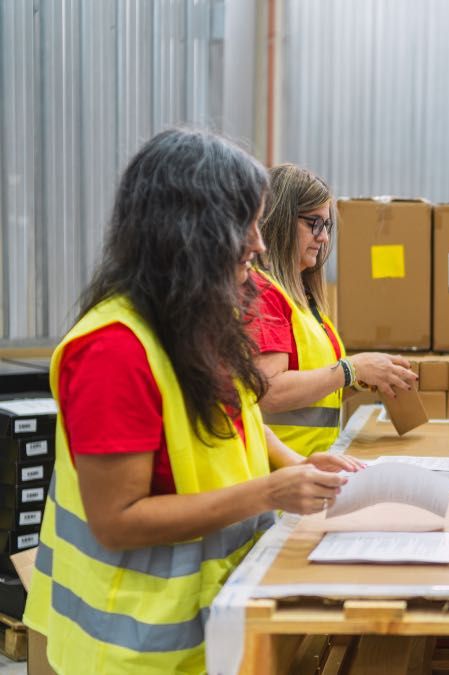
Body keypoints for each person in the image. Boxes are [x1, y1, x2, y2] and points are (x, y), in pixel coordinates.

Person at [25, 129, 362, 673]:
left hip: (214, 623)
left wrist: (299, 466)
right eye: (246, 224)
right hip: (137, 650)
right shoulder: (112, 349)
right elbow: (118, 521)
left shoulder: (197, 321)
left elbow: (241, 417)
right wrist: (270, 491)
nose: (258, 244)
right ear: (191, 229)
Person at [247, 164, 417, 457]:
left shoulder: (305, 303)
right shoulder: (265, 294)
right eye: (314, 223)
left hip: (312, 470)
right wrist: (351, 369)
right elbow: (271, 391)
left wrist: (361, 378)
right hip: (280, 478)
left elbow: (315, 391)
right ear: (281, 222)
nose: (323, 237)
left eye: (326, 226)